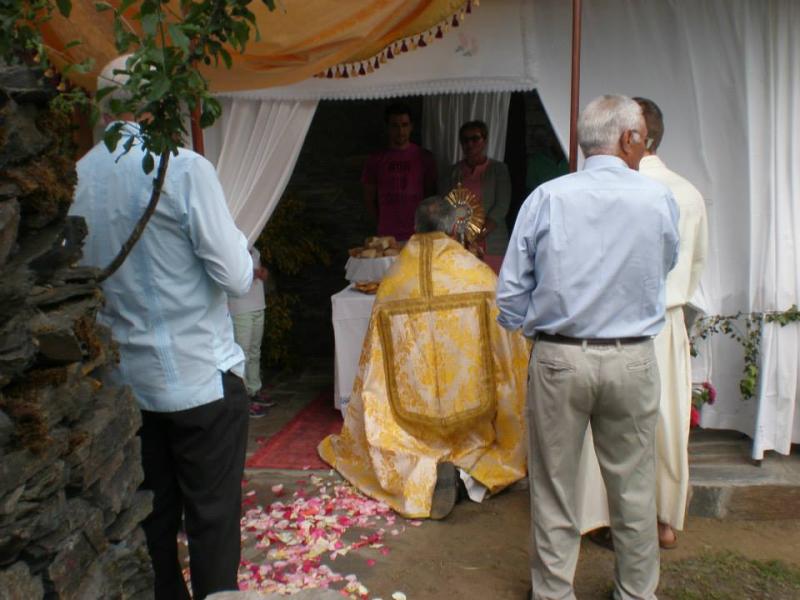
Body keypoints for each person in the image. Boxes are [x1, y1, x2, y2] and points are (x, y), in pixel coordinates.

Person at [70, 56, 253, 600]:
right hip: (200, 377)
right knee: (212, 522)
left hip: (129, 385)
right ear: (155, 104)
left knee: (154, 523)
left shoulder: (77, 179)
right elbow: (236, 276)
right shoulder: (182, 167)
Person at [496, 94, 680, 600]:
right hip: (631, 356)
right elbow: (664, 264)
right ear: (628, 138)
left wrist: (533, 331)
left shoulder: (547, 198)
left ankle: (554, 593)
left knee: (554, 487)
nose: (643, 144)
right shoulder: (656, 199)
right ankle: (635, 592)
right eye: (641, 136)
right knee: (634, 487)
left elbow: (510, 292)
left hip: (560, 356)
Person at [319, 196, 529, 520]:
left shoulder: (394, 282)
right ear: (454, 228)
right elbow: (507, 347)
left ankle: (422, 471)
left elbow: (375, 365)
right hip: (472, 421)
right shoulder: (478, 276)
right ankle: (464, 477)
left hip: (410, 422)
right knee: (499, 448)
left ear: (415, 227)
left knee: (396, 444)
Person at [575, 97, 709, 550]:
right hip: (667, 322)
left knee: (611, 422)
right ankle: (663, 519)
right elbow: (696, 265)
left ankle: (608, 516)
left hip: (617, 321)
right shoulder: (688, 192)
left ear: (631, 136)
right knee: (666, 423)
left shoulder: (614, 190)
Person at [361, 102, 437, 241]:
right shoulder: (375, 160)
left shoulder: (424, 157)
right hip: (387, 236)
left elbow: (430, 198)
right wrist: (381, 224)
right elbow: (369, 199)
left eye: (404, 125)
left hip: (418, 234)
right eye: (395, 126)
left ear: (411, 126)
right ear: (387, 128)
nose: (400, 131)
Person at [439, 120, 512, 255]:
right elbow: (444, 206)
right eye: (465, 140)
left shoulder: (499, 170)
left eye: (475, 139)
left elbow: (501, 206)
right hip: (459, 243)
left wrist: (479, 234)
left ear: (485, 140)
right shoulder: (451, 173)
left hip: (492, 242)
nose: (470, 144)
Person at [229, 246, 273, 418]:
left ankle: (254, 390)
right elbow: (229, 275)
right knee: (242, 355)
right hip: (240, 308)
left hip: (257, 304)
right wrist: (252, 273)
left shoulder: (254, 248)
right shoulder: (232, 245)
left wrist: (262, 272)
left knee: (255, 352)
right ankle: (243, 399)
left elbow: (258, 271)